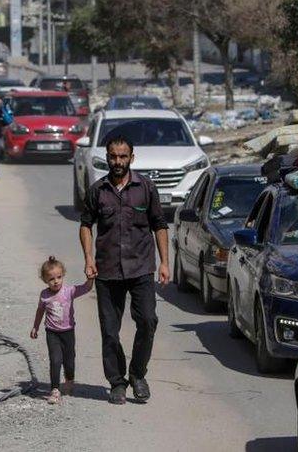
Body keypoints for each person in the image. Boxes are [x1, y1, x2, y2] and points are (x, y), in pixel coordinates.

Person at [79, 136, 170, 405]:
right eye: (113, 157)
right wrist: (88, 258)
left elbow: (160, 225)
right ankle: (117, 382)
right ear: (107, 157)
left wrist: (164, 262)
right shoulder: (98, 190)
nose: (117, 162)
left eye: (122, 156)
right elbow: (86, 225)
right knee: (109, 331)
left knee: (148, 321)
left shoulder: (146, 187)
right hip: (107, 270)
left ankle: (138, 375)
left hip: (141, 267)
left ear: (132, 157)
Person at [30, 256, 94, 404]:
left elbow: (86, 288)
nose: (56, 281)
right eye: (51, 279)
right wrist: (35, 327)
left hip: (68, 332)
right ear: (45, 280)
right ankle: (55, 389)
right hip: (52, 332)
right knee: (55, 360)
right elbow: (40, 311)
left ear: (63, 275)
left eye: (59, 277)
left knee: (69, 360)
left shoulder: (69, 291)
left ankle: (69, 380)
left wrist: (90, 278)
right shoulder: (44, 295)